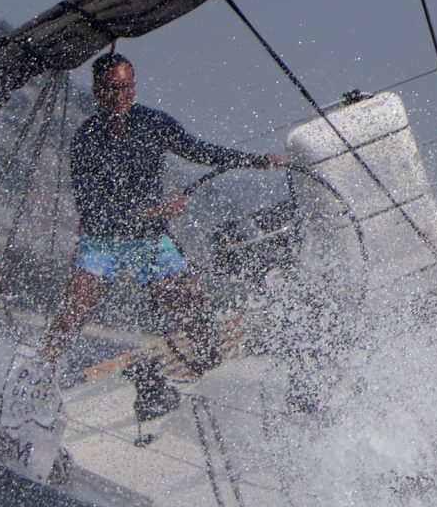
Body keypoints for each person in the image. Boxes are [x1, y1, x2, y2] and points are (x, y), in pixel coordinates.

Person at [41, 52, 285, 420]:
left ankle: (212, 369)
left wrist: (257, 161)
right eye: (113, 88)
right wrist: (149, 212)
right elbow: (90, 208)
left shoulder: (154, 124)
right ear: (97, 90)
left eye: (127, 87)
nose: (121, 95)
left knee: (188, 297)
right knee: (79, 301)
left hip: (149, 239)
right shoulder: (86, 139)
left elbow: (200, 151)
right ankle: (40, 371)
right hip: (103, 238)